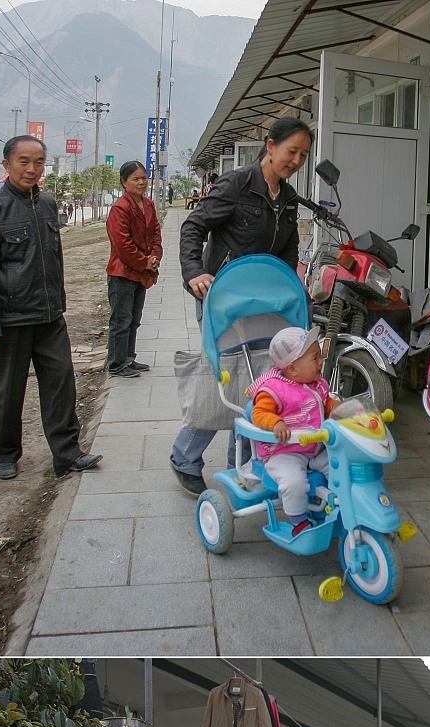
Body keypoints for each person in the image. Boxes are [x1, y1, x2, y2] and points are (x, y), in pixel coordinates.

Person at [170, 116, 312, 494]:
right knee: (225, 377)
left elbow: (289, 250)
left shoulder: (289, 198)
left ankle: (246, 461)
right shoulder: (235, 184)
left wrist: (295, 286)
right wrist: (194, 272)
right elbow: (193, 227)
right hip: (224, 299)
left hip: (266, 304)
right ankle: (185, 456)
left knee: (261, 383)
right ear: (270, 146)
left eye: (303, 156)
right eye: (291, 152)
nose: (296, 161)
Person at [0, 134, 102, 482]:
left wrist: (58, 303)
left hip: (50, 317)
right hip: (10, 321)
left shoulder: (47, 205)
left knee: (61, 384)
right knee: (6, 392)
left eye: (38, 162)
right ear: (6, 165)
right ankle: (5, 454)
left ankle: (67, 454)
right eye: (23, 161)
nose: (31, 169)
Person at [248, 326, 339, 537]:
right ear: (292, 369)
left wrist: (335, 408)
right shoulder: (274, 389)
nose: (321, 362)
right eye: (315, 358)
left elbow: (324, 402)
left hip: (316, 448)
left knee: (342, 467)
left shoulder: (317, 384)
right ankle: (299, 521)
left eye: (320, 356)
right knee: (293, 482)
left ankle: (341, 504)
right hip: (285, 451)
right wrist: (275, 422)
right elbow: (258, 413)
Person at [104, 160, 160, 379]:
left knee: (134, 319)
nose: (141, 183)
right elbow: (122, 244)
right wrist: (143, 261)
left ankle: (129, 358)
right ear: (124, 182)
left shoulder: (148, 204)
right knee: (121, 321)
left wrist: (154, 257)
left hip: (141, 272)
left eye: (143, 178)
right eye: (135, 179)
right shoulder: (120, 208)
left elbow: (156, 232)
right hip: (122, 273)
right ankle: (116, 363)